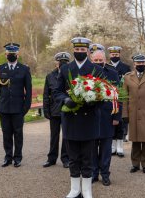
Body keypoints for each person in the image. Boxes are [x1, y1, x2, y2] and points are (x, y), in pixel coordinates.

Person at [52, 37, 103, 198]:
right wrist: (65, 100)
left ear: (88, 51)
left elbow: (103, 95)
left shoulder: (95, 69)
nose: (80, 52)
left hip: (89, 120)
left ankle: (87, 190)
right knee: (73, 158)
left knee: (87, 158)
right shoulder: (66, 68)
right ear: (73, 50)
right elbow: (57, 91)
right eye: (77, 49)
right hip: (71, 119)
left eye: (83, 50)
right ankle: (75, 189)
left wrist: (91, 102)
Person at [0, 43, 32, 168]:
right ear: (6, 55)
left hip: (18, 108)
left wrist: (25, 108)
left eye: (13, 53)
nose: (11, 55)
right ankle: (8, 157)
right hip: (4, 108)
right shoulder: (0, 69)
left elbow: (29, 90)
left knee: (18, 133)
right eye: (9, 53)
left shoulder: (24, 69)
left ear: (17, 54)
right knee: (6, 134)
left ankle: (18, 157)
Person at [89, 44, 120, 186]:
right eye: (95, 60)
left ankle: (105, 174)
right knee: (92, 147)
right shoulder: (86, 73)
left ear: (105, 59)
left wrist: (116, 117)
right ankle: (94, 173)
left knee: (106, 149)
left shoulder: (112, 73)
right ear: (91, 59)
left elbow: (118, 96)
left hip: (108, 116)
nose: (98, 62)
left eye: (100, 60)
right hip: (91, 116)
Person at [42, 52, 70, 168]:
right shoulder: (50, 76)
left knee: (66, 136)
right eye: (60, 61)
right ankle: (51, 158)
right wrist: (46, 110)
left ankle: (65, 159)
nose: (62, 63)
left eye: (65, 61)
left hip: (67, 109)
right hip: (54, 110)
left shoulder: (71, 75)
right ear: (56, 62)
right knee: (54, 136)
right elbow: (46, 95)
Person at [108, 46, 131, 155]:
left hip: (121, 97)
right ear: (110, 55)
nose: (114, 56)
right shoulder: (106, 67)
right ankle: (112, 146)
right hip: (109, 97)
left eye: (116, 55)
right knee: (111, 121)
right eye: (113, 55)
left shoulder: (126, 67)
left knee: (120, 121)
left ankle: (120, 147)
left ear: (119, 55)